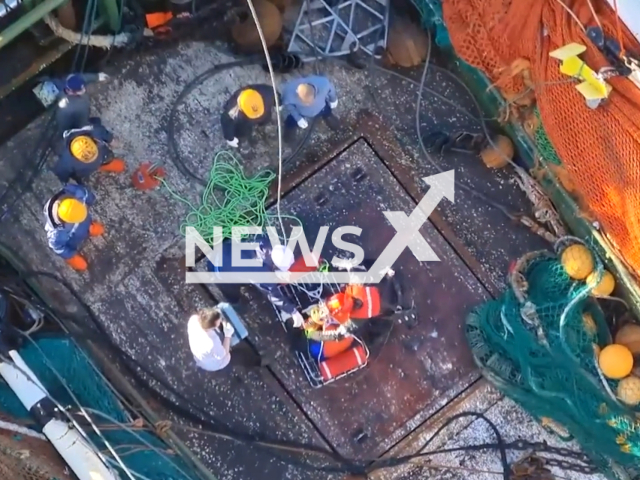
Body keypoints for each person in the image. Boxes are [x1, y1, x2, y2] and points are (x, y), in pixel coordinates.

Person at [206, 234, 306, 328]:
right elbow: (272, 294)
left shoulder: (265, 242)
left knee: (243, 273)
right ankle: (237, 305)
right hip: (217, 270)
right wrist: (293, 311)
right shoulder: (261, 272)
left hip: (222, 250)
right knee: (232, 293)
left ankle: (243, 284)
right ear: (275, 265)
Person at [43, 184, 104, 271]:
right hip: (74, 236)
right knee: (75, 258)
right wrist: (69, 255)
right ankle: (72, 259)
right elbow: (57, 247)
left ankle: (89, 227)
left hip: (83, 224)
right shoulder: (58, 233)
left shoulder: (76, 194)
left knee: (86, 223)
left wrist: (90, 199)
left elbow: (85, 194)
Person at [187, 307, 262, 372]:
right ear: (212, 327)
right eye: (219, 322)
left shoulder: (194, 320)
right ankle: (258, 361)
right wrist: (228, 335)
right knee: (240, 356)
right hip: (216, 362)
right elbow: (222, 354)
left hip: (200, 353)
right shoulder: (211, 342)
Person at [52, 123, 126, 184]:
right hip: (82, 171)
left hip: (89, 166)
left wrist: (111, 139)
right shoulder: (66, 162)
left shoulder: (93, 131)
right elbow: (61, 175)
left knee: (119, 165)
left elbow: (103, 133)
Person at [280, 75, 340, 142]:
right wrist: (298, 118)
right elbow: (289, 105)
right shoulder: (289, 94)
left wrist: (333, 99)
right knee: (291, 121)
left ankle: (328, 116)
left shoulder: (323, 84)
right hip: (300, 111)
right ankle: (289, 133)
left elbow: (330, 89)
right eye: (305, 102)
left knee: (327, 111)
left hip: (321, 107)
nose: (308, 105)